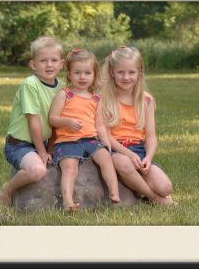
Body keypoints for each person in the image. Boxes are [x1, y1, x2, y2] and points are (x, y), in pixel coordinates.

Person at [101, 46, 176, 206]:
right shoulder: (105, 100)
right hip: (115, 149)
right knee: (124, 163)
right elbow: (106, 136)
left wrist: (148, 157)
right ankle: (154, 198)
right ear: (112, 72)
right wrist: (128, 154)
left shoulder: (146, 100)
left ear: (139, 73)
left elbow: (150, 136)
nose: (126, 77)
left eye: (131, 72)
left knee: (165, 187)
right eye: (121, 72)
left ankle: (151, 192)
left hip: (139, 150)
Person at [49, 48, 120, 211]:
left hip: (90, 140)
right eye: (77, 73)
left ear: (94, 75)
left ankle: (114, 192)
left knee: (106, 160)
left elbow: (100, 126)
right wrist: (67, 122)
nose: (82, 77)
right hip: (67, 141)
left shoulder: (96, 99)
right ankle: (68, 202)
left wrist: (106, 142)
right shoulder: (65, 95)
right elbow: (52, 118)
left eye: (87, 73)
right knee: (70, 168)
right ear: (69, 74)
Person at [0, 36, 65, 206]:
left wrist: (50, 147)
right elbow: (33, 121)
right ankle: (7, 190)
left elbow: (57, 121)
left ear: (61, 64)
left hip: (45, 142)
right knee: (37, 170)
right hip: (20, 144)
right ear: (33, 64)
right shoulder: (30, 84)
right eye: (43, 60)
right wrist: (42, 152)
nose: (49, 65)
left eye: (54, 60)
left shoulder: (62, 87)